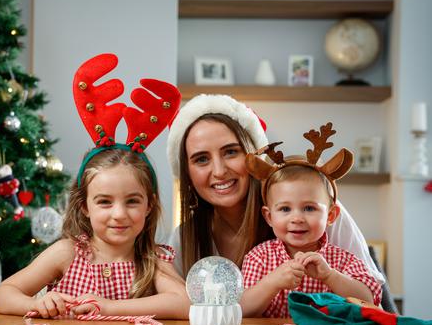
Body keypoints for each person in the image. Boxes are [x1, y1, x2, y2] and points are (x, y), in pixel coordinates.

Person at [0, 53, 190, 319]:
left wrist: (109, 307)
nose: (119, 213)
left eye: (132, 201)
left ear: (149, 205)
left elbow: (184, 303)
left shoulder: (152, 259)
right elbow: (2, 295)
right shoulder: (68, 253)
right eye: (104, 201)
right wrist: (36, 304)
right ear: (84, 205)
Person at [165, 94, 384, 286]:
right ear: (187, 174)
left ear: (254, 157)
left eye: (231, 152)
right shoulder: (183, 239)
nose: (220, 171)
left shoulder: (319, 212)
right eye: (201, 159)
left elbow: (370, 300)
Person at [239, 123, 381, 317]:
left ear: (331, 215)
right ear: (269, 217)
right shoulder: (259, 258)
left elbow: (370, 299)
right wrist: (272, 282)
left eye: (309, 208)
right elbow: (242, 310)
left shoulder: (343, 260)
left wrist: (330, 276)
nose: (297, 218)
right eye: (285, 209)